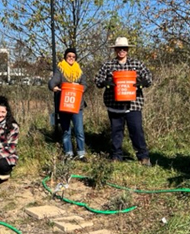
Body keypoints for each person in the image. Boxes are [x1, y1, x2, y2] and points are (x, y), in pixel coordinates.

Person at [94, 37, 153, 165]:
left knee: (136, 130)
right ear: (115, 50)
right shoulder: (108, 65)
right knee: (116, 132)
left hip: (133, 104)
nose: (122, 50)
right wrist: (105, 82)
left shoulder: (137, 64)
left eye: (124, 48)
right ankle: (116, 156)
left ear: (127, 50)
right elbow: (97, 80)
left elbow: (149, 77)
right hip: (114, 105)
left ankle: (143, 156)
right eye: (119, 48)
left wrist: (142, 83)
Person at [48, 47, 87, 161]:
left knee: (79, 130)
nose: (71, 58)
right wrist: (54, 87)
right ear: (65, 57)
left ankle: (81, 154)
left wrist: (78, 88)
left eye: (73, 57)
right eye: (69, 56)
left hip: (77, 106)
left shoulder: (79, 71)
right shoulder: (60, 70)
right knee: (66, 131)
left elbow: (85, 84)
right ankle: (68, 153)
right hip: (64, 105)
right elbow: (52, 83)